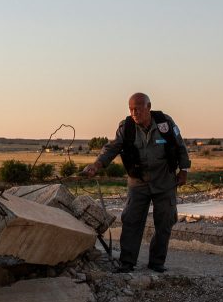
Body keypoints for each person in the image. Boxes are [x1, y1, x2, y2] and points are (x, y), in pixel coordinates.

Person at [82, 93, 191, 273]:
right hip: (138, 182)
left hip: (164, 180)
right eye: (131, 109)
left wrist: (184, 171)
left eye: (138, 109)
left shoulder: (165, 123)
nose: (134, 113)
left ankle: (156, 263)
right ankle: (127, 262)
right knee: (131, 220)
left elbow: (181, 147)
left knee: (164, 221)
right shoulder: (127, 127)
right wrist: (96, 165)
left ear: (148, 107)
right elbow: (112, 148)